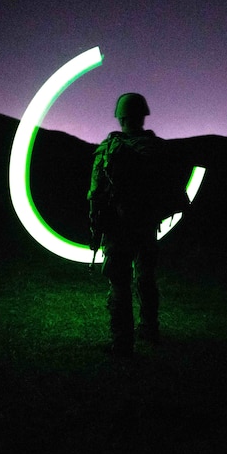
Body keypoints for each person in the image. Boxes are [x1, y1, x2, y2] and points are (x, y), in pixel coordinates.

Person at [88, 92, 164, 359]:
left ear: (119, 116)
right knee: (146, 278)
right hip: (147, 225)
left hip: (118, 228)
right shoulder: (157, 148)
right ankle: (150, 329)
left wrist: (96, 225)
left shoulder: (110, 148)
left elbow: (97, 193)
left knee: (119, 283)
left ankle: (122, 343)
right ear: (143, 115)